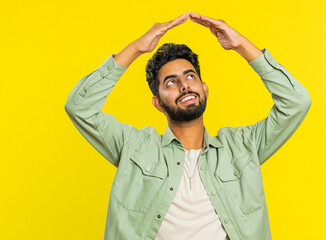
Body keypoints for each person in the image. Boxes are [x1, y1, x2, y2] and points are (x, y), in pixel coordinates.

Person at [65, 12, 311, 240]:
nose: (184, 85)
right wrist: (135, 49)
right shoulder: (134, 146)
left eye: (190, 76)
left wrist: (240, 45)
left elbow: (297, 102)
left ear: (204, 89)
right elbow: (79, 107)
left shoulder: (243, 147)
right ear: (158, 103)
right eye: (171, 82)